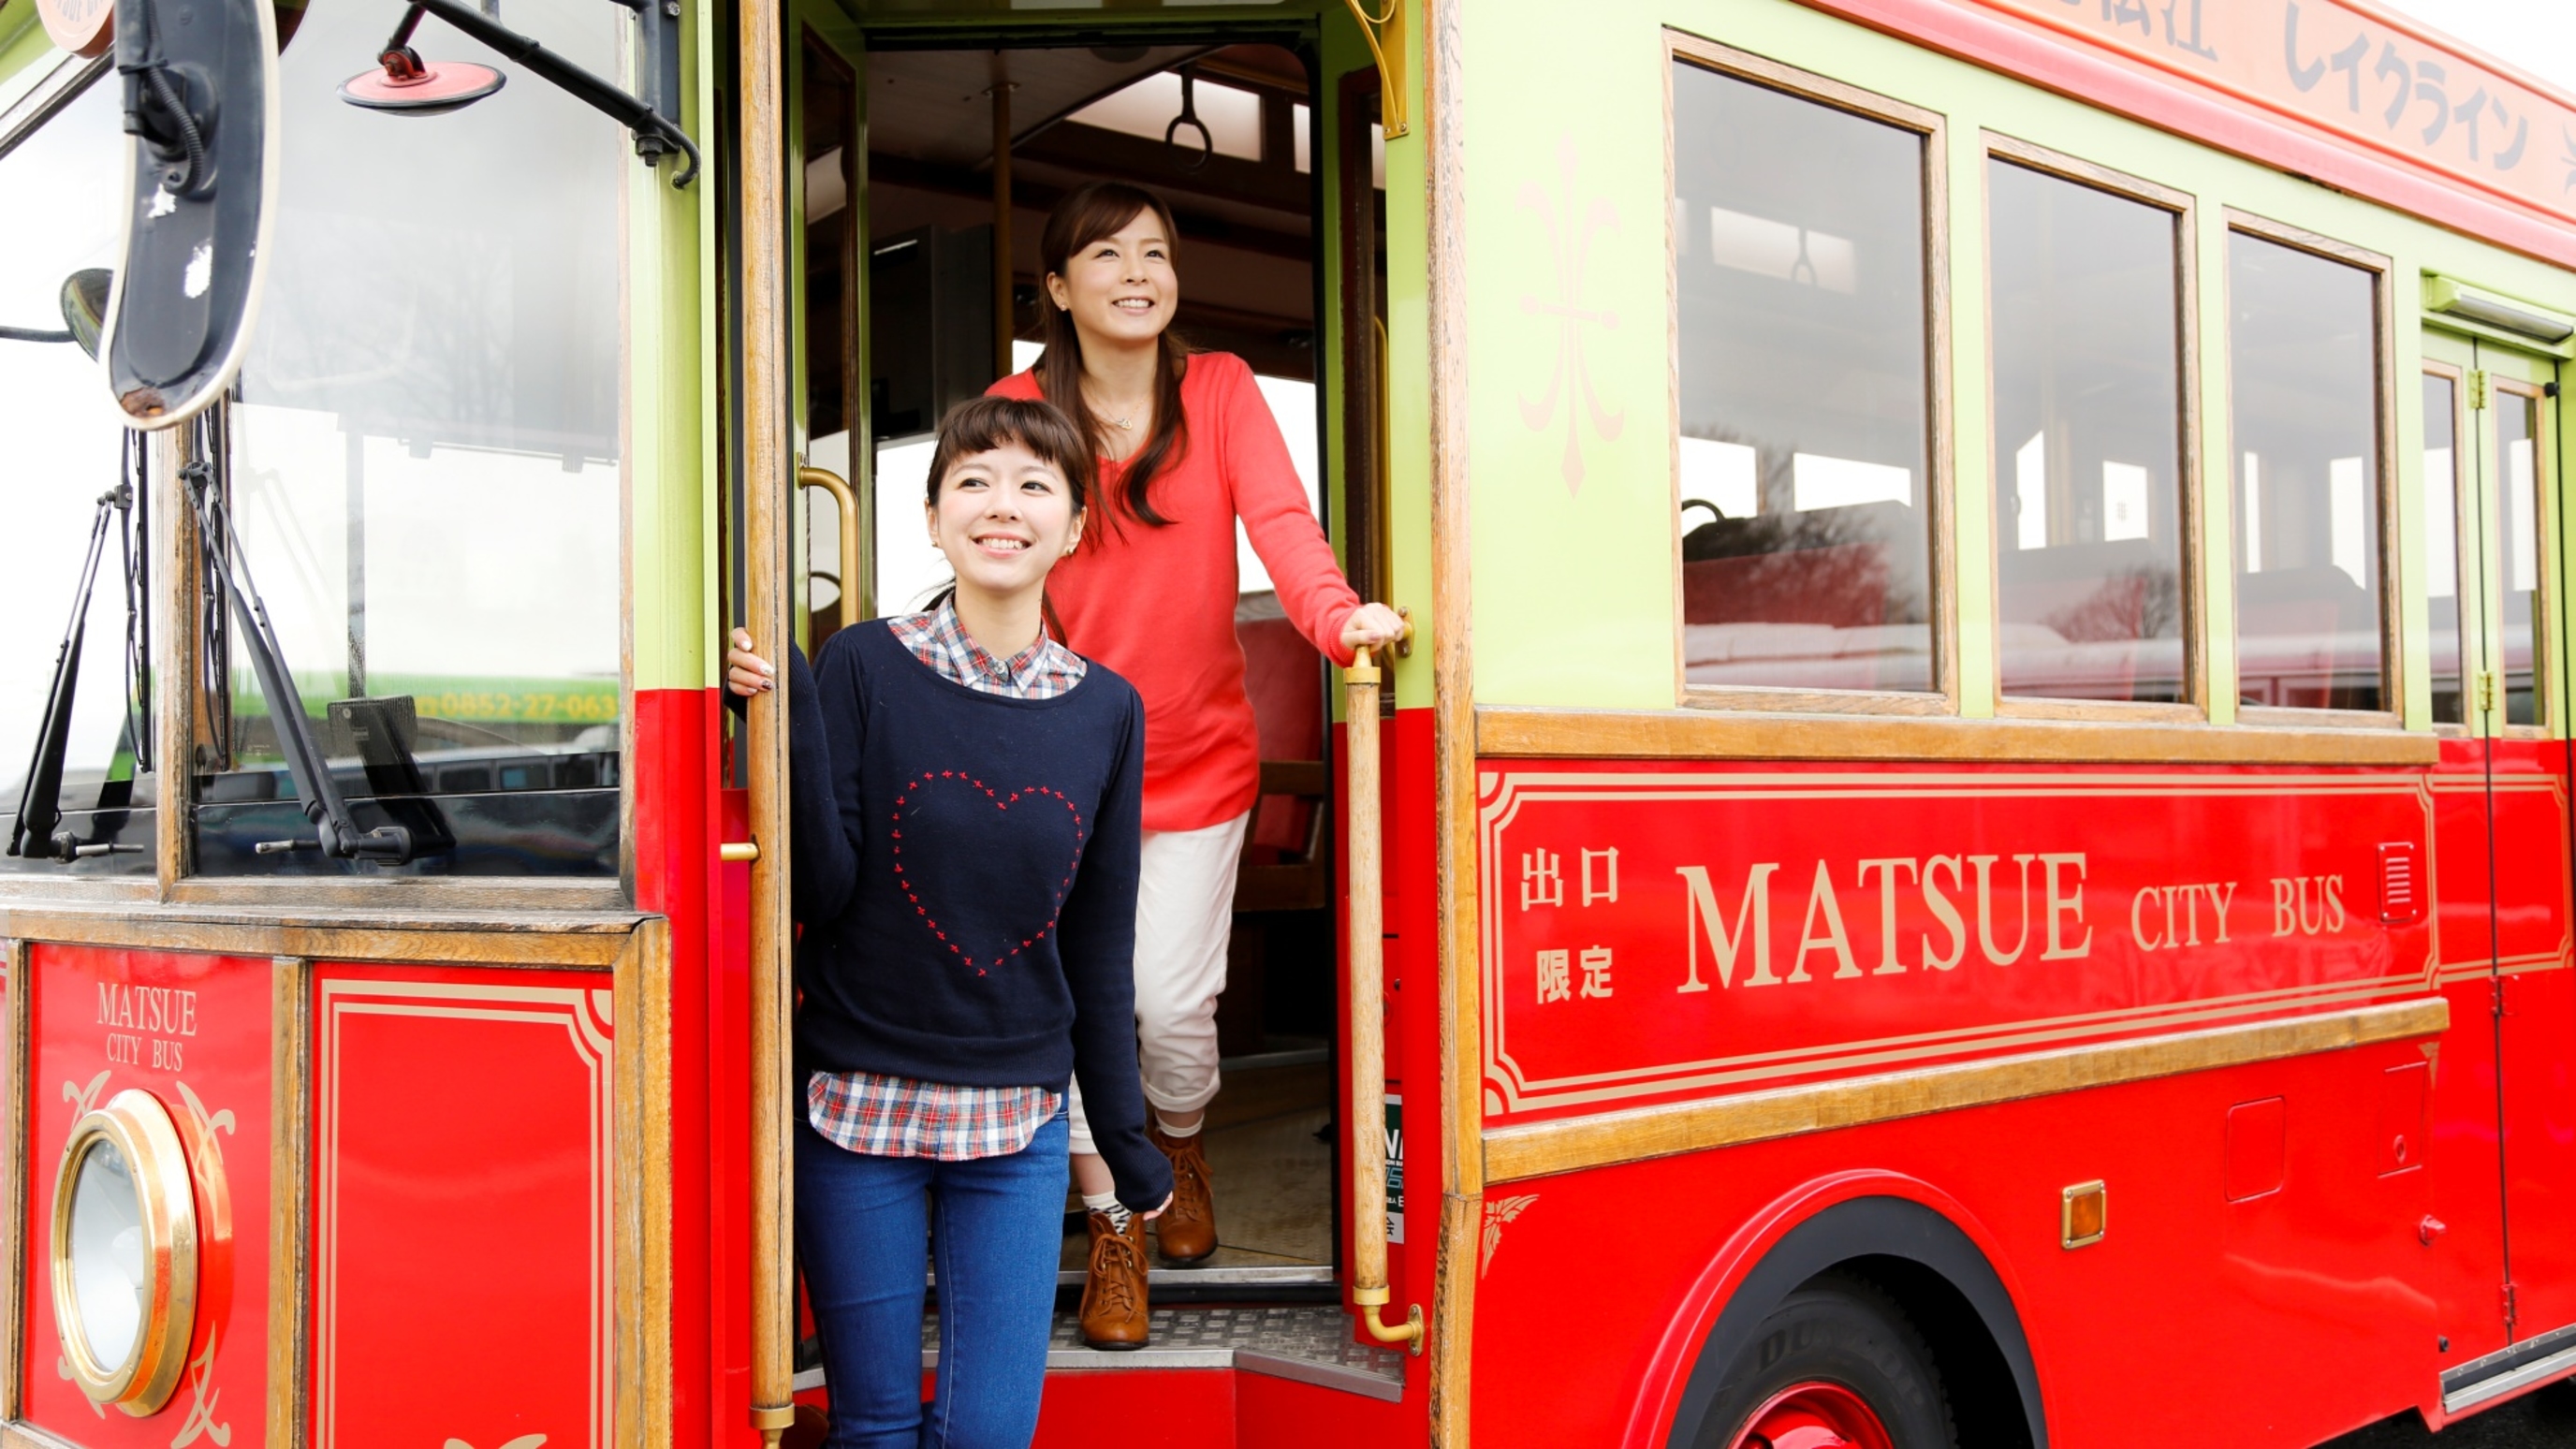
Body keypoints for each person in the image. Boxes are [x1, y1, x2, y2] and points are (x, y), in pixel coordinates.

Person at [988, 181, 1407, 1348]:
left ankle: (1179, 1143)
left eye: (1155, 255)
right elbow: (992, 555)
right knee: (1077, 1009)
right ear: (1057, 286)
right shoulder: (1017, 407)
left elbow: (1282, 526)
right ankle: (1114, 1227)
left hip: (1197, 760)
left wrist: (1337, 621)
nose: (1137, 274)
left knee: (1168, 1006)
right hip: (1057, 766)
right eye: (1106, 255)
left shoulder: (1217, 390)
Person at [725, 395, 1174, 1446]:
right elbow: (820, 893)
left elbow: (1098, 942)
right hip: (854, 1110)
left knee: (990, 1435)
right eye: (973, 481)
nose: (1001, 505)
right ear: (932, 520)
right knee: (875, 1429)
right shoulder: (861, 665)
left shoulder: (1107, 709)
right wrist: (788, 714)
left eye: (1033, 485)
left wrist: (1122, 1136)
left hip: (1017, 1122)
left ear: (1074, 526)